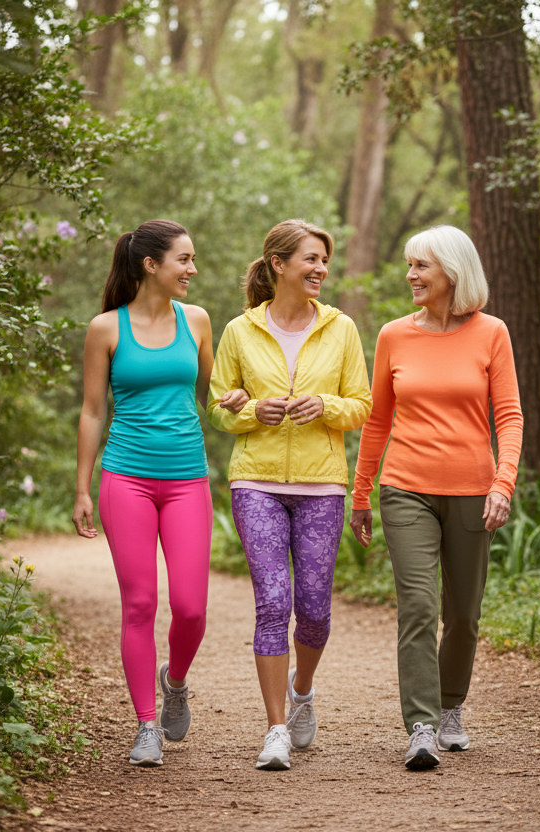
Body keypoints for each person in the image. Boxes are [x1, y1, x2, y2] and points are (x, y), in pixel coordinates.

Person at [350, 225, 522, 770]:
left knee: (464, 614)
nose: (411, 276)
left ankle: (451, 706)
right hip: (406, 489)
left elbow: (509, 417)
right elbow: (378, 419)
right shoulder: (394, 335)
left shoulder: (492, 332)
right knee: (419, 607)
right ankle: (420, 724)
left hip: (474, 490)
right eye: (409, 265)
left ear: (452, 270)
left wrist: (503, 484)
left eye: (421, 266)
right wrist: (362, 492)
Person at [207, 219, 371, 771]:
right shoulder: (239, 330)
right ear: (279, 265)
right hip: (256, 482)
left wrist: (325, 406)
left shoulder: (342, 328)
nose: (321, 269)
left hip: (322, 484)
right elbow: (218, 409)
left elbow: (363, 405)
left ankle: (303, 691)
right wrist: (254, 410)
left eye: (325, 260)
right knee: (274, 603)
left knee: (316, 611)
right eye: (311, 259)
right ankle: (275, 727)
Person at [71, 219, 215, 768]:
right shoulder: (106, 328)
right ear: (150, 265)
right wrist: (82, 487)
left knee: (191, 608)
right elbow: (91, 411)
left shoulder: (197, 322)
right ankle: (146, 724)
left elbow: (207, 396)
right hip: (125, 477)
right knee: (139, 604)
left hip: (186, 480)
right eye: (184, 259)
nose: (192, 270)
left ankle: (174, 680)